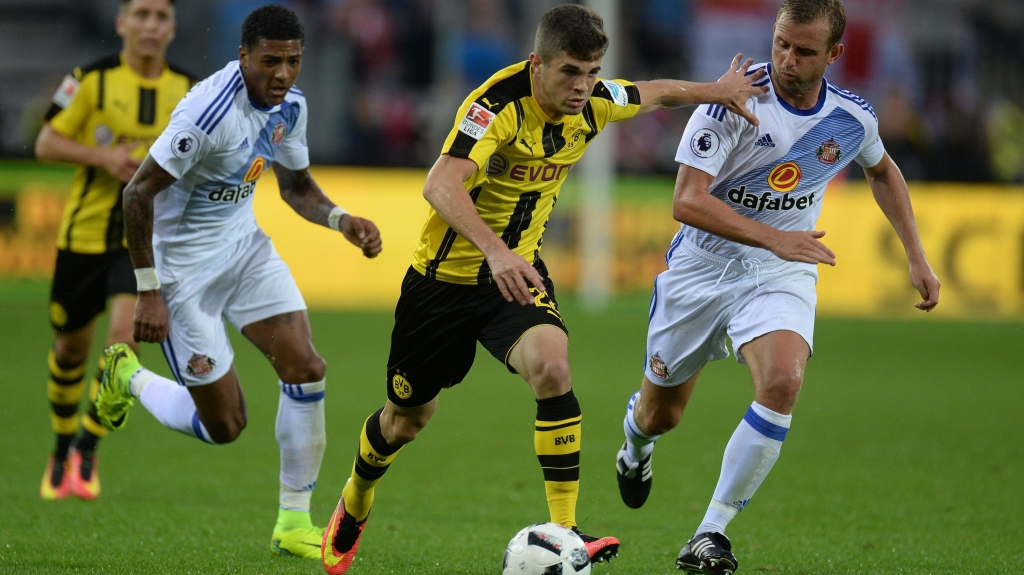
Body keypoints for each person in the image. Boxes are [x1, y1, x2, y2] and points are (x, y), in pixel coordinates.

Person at [320, 5, 769, 574]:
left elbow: (653, 92)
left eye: (591, 71)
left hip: (515, 277)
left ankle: (564, 527)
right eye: (569, 72)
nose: (582, 86)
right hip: (443, 282)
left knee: (554, 367)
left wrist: (717, 89)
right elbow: (440, 183)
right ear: (537, 64)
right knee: (404, 420)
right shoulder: (496, 105)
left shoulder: (595, 102)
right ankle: (357, 495)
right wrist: (494, 249)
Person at [613, 1, 942, 573]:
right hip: (700, 272)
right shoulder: (730, 100)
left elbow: (882, 169)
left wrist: (917, 256)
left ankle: (709, 532)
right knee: (661, 415)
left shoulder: (851, 118)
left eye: (805, 51)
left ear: (833, 55)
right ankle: (635, 446)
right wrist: (773, 235)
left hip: (778, 273)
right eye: (782, 43)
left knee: (784, 380)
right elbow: (686, 202)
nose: (788, 59)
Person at [92, 4, 382, 560]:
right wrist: (148, 291)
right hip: (180, 277)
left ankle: (294, 522)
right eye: (270, 61)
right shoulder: (207, 113)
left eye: (293, 61)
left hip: (245, 253)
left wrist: (341, 219)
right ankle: (125, 373)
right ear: (243, 55)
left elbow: (295, 187)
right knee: (225, 425)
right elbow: (136, 194)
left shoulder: (288, 106)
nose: (282, 74)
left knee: (306, 367)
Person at [35, 0, 191, 502]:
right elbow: (46, 142)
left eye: (160, 16)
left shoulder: (189, 90)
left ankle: (86, 446)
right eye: (141, 14)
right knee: (71, 350)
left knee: (122, 343)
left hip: (139, 240)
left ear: (172, 28)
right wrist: (102, 155)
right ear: (121, 23)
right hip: (82, 236)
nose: (150, 26)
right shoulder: (92, 79)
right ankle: (60, 449)